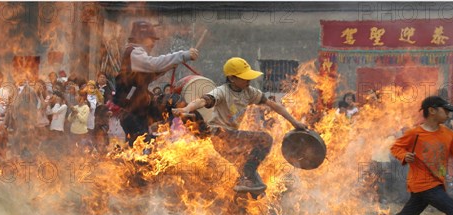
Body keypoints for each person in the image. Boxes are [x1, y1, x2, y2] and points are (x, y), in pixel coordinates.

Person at [173, 57, 307, 193]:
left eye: (249, 77)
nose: (248, 80)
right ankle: (246, 176)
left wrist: (295, 122)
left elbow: (274, 106)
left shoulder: (250, 92)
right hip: (221, 135)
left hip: (233, 140)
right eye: (244, 78)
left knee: (255, 185)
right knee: (265, 139)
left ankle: (244, 183)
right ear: (232, 79)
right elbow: (201, 101)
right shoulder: (222, 92)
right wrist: (186, 109)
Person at [112, 20, 199, 146]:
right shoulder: (134, 52)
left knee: (174, 103)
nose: (153, 43)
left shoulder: (136, 56)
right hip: (130, 113)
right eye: (152, 39)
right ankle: (205, 132)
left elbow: (150, 74)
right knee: (141, 148)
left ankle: (203, 133)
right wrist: (182, 55)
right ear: (142, 37)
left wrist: (169, 66)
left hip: (141, 109)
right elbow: (154, 65)